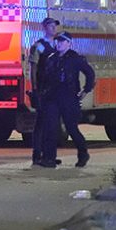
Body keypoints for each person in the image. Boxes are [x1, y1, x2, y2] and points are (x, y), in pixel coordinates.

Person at [39, 31, 95, 168]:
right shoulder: (52, 58)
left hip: (69, 98)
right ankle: (49, 159)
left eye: (62, 41)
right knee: (51, 128)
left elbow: (90, 73)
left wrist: (86, 90)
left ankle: (83, 153)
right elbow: (45, 78)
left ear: (69, 43)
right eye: (58, 41)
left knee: (71, 128)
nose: (59, 44)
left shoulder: (75, 58)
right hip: (53, 97)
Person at [28, 17, 59, 166]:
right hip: (42, 88)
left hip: (54, 89)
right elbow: (33, 68)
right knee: (41, 122)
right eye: (51, 26)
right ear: (45, 28)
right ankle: (37, 154)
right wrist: (34, 89)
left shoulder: (57, 45)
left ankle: (48, 154)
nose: (54, 28)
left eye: (54, 26)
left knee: (51, 122)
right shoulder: (40, 46)